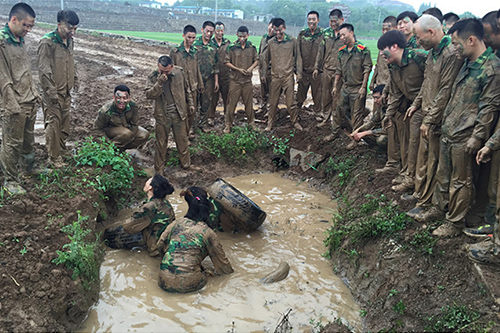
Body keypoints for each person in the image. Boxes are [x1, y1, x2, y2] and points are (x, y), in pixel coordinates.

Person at [416, 19, 500, 237]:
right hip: (450, 130)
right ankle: (438, 209)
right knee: (443, 176)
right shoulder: (466, 64)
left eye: (456, 43)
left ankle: (454, 223)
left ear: (471, 40)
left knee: (460, 182)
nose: (453, 49)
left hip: (466, 136)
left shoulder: (491, 69)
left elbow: (489, 107)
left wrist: (478, 137)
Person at [405, 15, 463, 216]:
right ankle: (421, 194)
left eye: (419, 38)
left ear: (431, 32)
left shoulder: (450, 54)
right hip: (427, 113)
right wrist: (416, 104)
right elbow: (427, 83)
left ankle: (430, 204)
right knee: (424, 157)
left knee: (435, 163)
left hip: (438, 118)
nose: (418, 42)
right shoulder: (432, 53)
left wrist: (429, 120)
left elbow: (445, 90)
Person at [157, 186, 234, 293]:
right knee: (210, 273)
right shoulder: (208, 233)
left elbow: (160, 245)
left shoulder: (175, 224)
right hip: (189, 283)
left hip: (163, 281)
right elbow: (224, 267)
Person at [378, 30, 427, 192]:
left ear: (394, 46)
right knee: (406, 142)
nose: (381, 55)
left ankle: (411, 180)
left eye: (383, 49)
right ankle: (407, 172)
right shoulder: (393, 66)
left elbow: (432, 80)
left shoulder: (419, 57)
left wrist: (418, 103)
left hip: (426, 106)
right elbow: (397, 93)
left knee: (414, 143)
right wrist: (388, 114)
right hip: (411, 106)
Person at [0, 3, 40, 195]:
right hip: (13, 103)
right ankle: (10, 181)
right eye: (26, 25)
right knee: (12, 143)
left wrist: (35, 93)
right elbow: (3, 78)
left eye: (31, 26)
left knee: (27, 140)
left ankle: (29, 169)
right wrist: (11, 105)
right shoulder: (2, 43)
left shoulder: (19, 40)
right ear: (14, 19)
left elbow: (24, 71)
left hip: (28, 100)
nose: (28, 30)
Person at [37, 10, 79, 169]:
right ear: (59, 24)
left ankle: (61, 150)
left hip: (66, 91)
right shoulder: (47, 42)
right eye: (70, 28)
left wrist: (75, 79)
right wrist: (51, 92)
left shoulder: (70, 41)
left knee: (64, 124)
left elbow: (71, 61)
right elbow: (43, 69)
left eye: (75, 28)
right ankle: (54, 158)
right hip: (52, 93)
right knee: (53, 125)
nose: (72, 32)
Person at [145, 55, 199, 174]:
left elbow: (187, 89)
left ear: (172, 67)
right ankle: (159, 171)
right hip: (162, 114)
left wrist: (190, 104)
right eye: (161, 70)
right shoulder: (153, 76)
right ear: (158, 66)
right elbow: (149, 95)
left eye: (167, 71)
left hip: (179, 112)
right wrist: (159, 83)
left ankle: (186, 165)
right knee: (161, 143)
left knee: (182, 140)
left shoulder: (179, 72)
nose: (164, 73)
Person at [261, 18, 303, 132]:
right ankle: (270, 124)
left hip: (288, 77)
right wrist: (264, 73)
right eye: (275, 30)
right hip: (275, 77)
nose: (278, 33)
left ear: (284, 28)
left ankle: (295, 122)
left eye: (279, 30)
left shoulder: (292, 41)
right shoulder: (271, 43)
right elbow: (265, 59)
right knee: (273, 102)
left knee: (290, 103)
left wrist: (299, 73)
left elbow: (298, 57)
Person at [372, 16, 401, 174]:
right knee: (377, 117)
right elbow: (377, 66)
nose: (384, 32)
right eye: (382, 29)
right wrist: (373, 82)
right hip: (380, 87)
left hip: (390, 91)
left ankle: (393, 158)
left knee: (390, 125)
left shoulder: (397, 53)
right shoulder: (383, 48)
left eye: (387, 29)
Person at [332, 23, 372, 137]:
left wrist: (364, 87)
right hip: (346, 87)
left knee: (357, 115)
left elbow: (367, 69)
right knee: (338, 110)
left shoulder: (362, 50)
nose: (342, 38)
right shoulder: (342, 51)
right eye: (340, 36)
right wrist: (335, 85)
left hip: (357, 88)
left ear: (351, 33)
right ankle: (334, 132)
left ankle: (355, 139)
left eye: (344, 35)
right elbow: (338, 70)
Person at [122, 175, 175, 257]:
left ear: (150, 188)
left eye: (148, 181)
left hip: (155, 249)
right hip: (166, 243)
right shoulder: (165, 202)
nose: (145, 182)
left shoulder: (150, 207)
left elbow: (128, 227)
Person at [224, 26, 258, 133]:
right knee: (231, 104)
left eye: (244, 36)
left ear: (247, 35)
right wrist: (237, 69)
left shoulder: (251, 47)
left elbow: (257, 60)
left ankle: (251, 123)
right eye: (240, 36)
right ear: (237, 35)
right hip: (235, 81)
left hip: (247, 81)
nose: (242, 38)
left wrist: (250, 68)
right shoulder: (232, 47)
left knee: (249, 104)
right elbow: (226, 62)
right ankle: (228, 125)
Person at [170, 25, 203, 137]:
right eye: (189, 37)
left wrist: (200, 84)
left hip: (193, 86)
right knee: (181, 112)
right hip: (180, 88)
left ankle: (188, 131)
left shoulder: (195, 51)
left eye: (193, 38)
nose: (191, 40)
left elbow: (197, 68)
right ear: (184, 36)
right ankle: (181, 135)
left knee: (192, 111)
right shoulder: (175, 52)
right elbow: (170, 70)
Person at [93, 85, 149, 150]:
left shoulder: (133, 106)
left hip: (126, 129)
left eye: (125, 98)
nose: (121, 101)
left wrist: (129, 139)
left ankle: (121, 149)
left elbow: (134, 124)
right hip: (110, 131)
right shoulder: (106, 111)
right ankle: (111, 149)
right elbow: (96, 130)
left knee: (144, 134)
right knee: (126, 133)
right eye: (118, 98)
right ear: (114, 97)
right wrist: (107, 143)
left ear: (129, 98)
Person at [314, 9, 344, 131]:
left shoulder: (344, 34)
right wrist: (317, 67)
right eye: (331, 21)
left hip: (339, 71)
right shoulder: (326, 34)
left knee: (336, 97)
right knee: (326, 96)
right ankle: (326, 119)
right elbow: (320, 52)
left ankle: (336, 122)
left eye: (335, 21)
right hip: (327, 69)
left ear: (341, 20)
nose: (332, 23)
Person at [296, 11, 323, 119]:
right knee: (300, 94)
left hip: (317, 71)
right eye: (309, 19)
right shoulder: (302, 34)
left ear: (318, 20)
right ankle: (296, 112)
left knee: (317, 94)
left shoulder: (323, 35)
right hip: (304, 70)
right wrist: (298, 70)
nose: (311, 21)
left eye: (313, 19)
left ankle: (318, 113)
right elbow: (297, 53)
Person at [193, 21, 219, 132]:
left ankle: (203, 124)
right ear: (202, 30)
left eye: (211, 32)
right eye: (207, 31)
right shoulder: (195, 43)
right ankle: (191, 126)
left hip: (209, 78)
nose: (209, 34)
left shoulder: (214, 46)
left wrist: (216, 81)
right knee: (194, 102)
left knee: (206, 102)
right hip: (195, 78)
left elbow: (216, 65)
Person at [350, 85, 388, 150]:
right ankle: (376, 149)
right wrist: (358, 130)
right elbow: (372, 122)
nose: (375, 101)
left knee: (381, 140)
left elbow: (387, 130)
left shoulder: (392, 109)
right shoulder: (381, 108)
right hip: (382, 131)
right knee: (361, 132)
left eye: (377, 98)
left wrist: (365, 133)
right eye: (374, 98)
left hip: (392, 135)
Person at [208, 21, 230, 127]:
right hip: (213, 77)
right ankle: (211, 117)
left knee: (227, 98)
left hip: (226, 76)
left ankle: (227, 118)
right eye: (218, 31)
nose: (220, 33)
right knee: (213, 99)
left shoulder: (228, 43)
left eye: (222, 30)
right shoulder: (210, 43)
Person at [258, 18, 275, 114]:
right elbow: (260, 52)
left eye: (274, 28)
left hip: (271, 69)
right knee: (263, 90)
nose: (272, 29)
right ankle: (262, 106)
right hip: (262, 69)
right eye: (271, 27)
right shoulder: (263, 38)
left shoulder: (276, 40)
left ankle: (270, 109)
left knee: (272, 90)